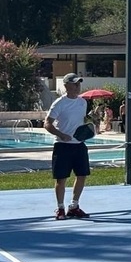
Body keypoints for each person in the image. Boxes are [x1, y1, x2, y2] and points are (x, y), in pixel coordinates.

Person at [43, 73, 91, 219]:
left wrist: (88, 130)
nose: (77, 87)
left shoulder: (83, 102)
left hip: (79, 145)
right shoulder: (59, 103)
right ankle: (60, 208)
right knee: (61, 179)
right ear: (66, 86)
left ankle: (74, 206)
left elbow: (81, 122)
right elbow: (47, 123)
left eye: (79, 84)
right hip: (62, 146)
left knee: (82, 175)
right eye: (74, 84)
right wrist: (61, 134)